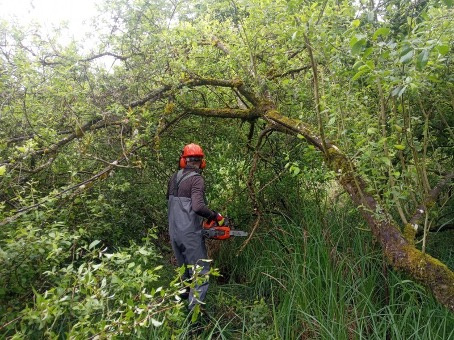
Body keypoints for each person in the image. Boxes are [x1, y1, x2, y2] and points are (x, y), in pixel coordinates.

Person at [166, 143, 224, 310]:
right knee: (201, 272)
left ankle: (178, 309)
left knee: (184, 271)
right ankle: (194, 319)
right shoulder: (196, 179)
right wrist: (215, 216)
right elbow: (198, 207)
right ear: (201, 162)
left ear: (183, 160)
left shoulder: (173, 178)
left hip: (174, 232)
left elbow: (173, 204)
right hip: (190, 233)